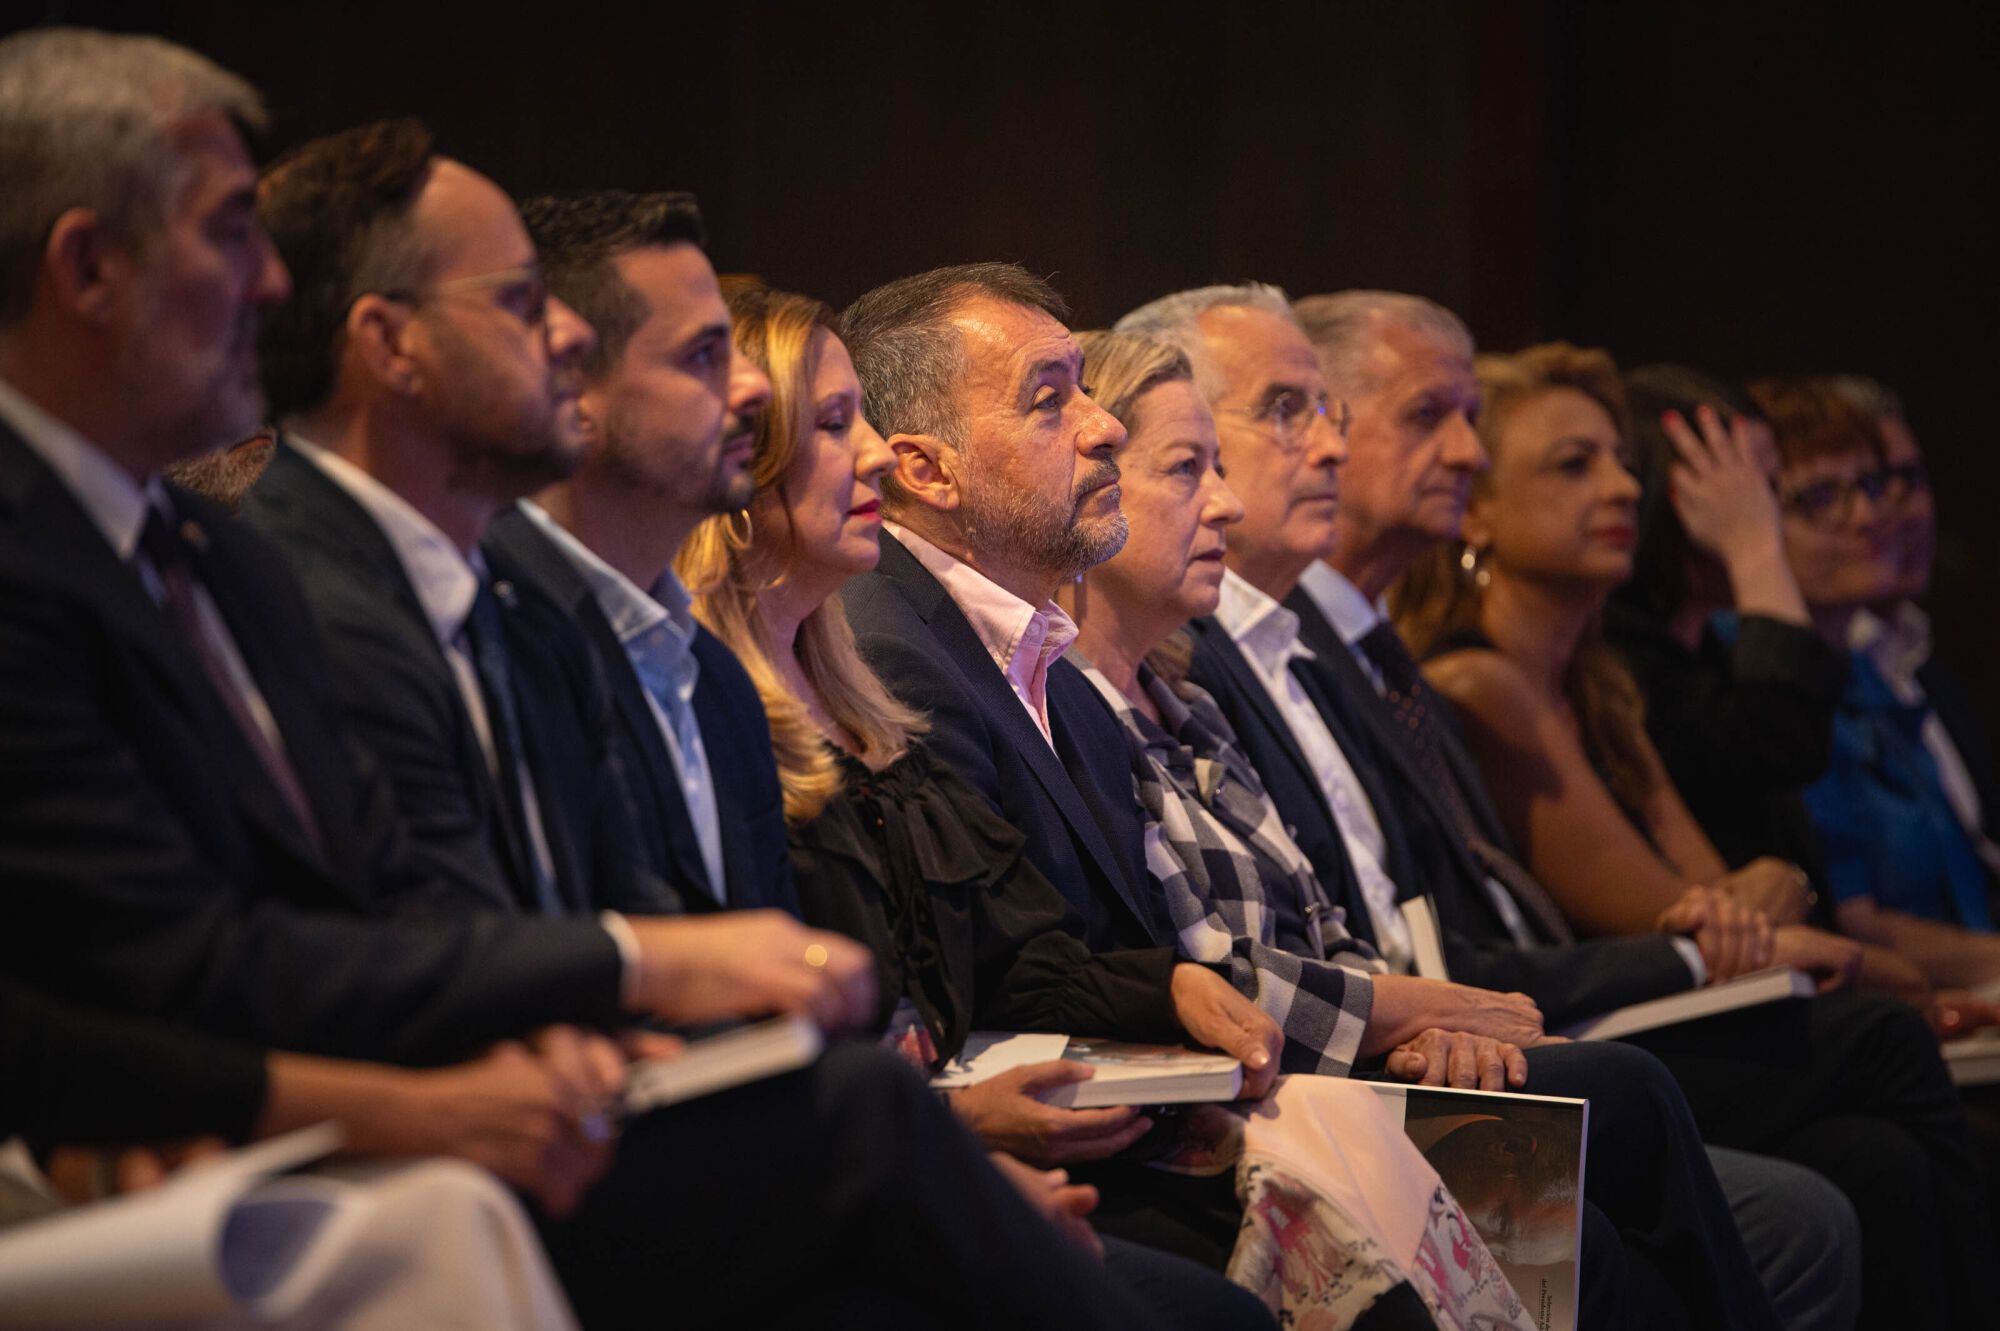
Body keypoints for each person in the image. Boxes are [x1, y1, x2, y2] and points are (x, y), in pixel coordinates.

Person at [0, 29, 1204, 1328]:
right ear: (85, 266)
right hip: (190, 1165)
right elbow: (158, 961)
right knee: (872, 1142)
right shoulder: (215, 562)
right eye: (229, 232)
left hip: (375, 1104)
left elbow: (368, 901)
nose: (267, 281)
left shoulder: (219, 557)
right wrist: (523, 1033)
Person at [1114, 285, 1840, 1330]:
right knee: (1688, 1139)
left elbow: (1337, 928)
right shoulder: (1189, 669)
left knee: (1803, 1171)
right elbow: (1189, 964)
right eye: (1282, 413)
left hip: (1382, 1039)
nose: (1326, 444)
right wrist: (1410, 1015)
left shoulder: (1274, 662)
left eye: (1330, 412)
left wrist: (1417, 1011)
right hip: (1282, 1090)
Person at [677, 284, 1280, 1329]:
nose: (871, 454)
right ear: (734, 466)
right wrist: (956, 1126)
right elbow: (746, 1051)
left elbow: (1010, 950)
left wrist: (1168, 984)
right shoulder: (713, 697)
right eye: (832, 425)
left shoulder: (853, 686)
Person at [1393, 338, 1990, 1328]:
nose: (1623, 487)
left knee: (1870, 1161)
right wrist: (1773, 902)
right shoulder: (1479, 682)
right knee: (1879, 1036)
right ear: (1480, 510)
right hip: (1573, 1027)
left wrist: (1768, 894)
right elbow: (1682, 910)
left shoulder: (1599, 680)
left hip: (1642, 1014)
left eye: (1622, 461)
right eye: (1572, 464)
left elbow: (1727, 894)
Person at [241, 119, 668, 921]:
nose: (574, 333)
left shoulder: (529, 603)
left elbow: (635, 904)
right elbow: (441, 935)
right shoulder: (284, 594)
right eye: (523, 299)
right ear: (391, 341)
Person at [488, 189, 795, 915]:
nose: (753, 387)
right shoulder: (498, 640)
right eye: (703, 356)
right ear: (572, 384)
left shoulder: (714, 676)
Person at [1761, 374, 2000, 990]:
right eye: (1821, 498)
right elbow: (1849, 924)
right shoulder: (1771, 695)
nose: (1871, 517)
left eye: (1875, 486)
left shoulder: (1882, 671)